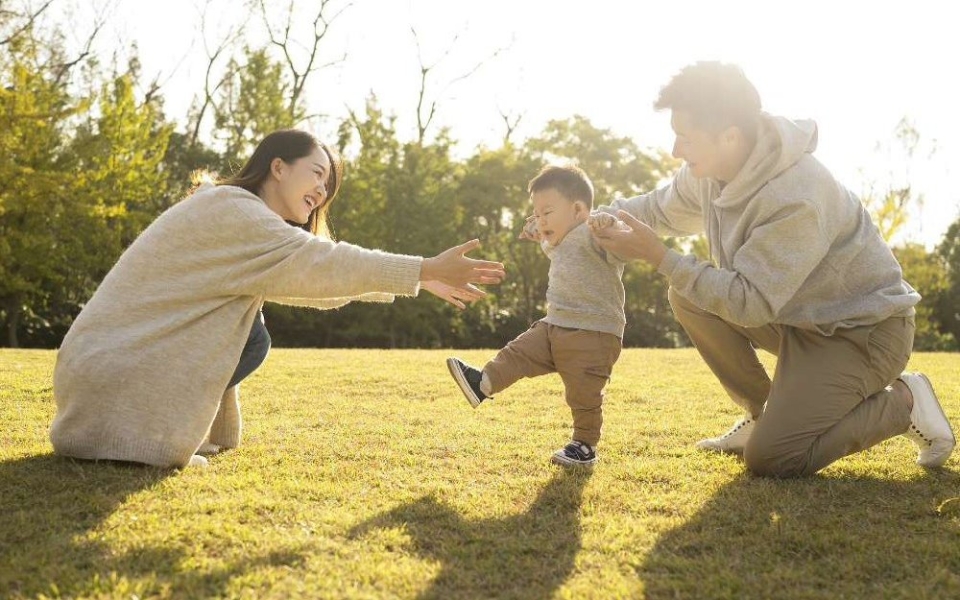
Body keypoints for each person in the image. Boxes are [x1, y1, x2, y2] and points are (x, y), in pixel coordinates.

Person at [50, 129, 505, 469]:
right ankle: (138, 434)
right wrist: (423, 268)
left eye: (329, 186)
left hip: (103, 371)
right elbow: (323, 264)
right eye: (318, 174)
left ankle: (141, 429)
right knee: (253, 337)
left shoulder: (233, 213)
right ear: (278, 166)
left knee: (251, 329)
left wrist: (420, 280)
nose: (323, 191)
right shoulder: (234, 212)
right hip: (113, 375)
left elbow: (319, 286)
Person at [591, 61, 955, 477]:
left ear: (729, 136)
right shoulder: (710, 171)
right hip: (799, 321)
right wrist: (583, 220)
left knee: (773, 459)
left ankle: (904, 402)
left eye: (685, 138)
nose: (676, 150)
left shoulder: (796, 195)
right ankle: (762, 412)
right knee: (686, 293)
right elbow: (656, 210)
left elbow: (751, 303)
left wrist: (660, 257)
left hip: (862, 334)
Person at [446, 164, 626, 467]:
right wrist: (540, 231)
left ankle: (584, 445)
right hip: (554, 325)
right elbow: (549, 240)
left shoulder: (594, 234)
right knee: (518, 352)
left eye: (547, 212)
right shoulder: (558, 241)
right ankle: (483, 382)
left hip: (593, 332)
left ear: (579, 209)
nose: (540, 220)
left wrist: (609, 224)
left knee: (583, 394)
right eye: (537, 213)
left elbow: (620, 242)